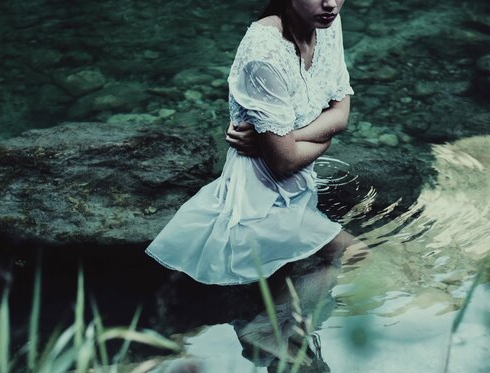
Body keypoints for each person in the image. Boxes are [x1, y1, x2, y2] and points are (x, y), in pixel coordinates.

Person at [145, 0, 361, 285]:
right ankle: (265, 326)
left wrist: (279, 138)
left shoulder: (326, 22)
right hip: (260, 200)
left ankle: (271, 325)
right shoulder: (264, 50)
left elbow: (341, 114)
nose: (331, 3)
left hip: (298, 184)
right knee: (356, 254)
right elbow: (284, 162)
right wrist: (324, 138)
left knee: (322, 265)